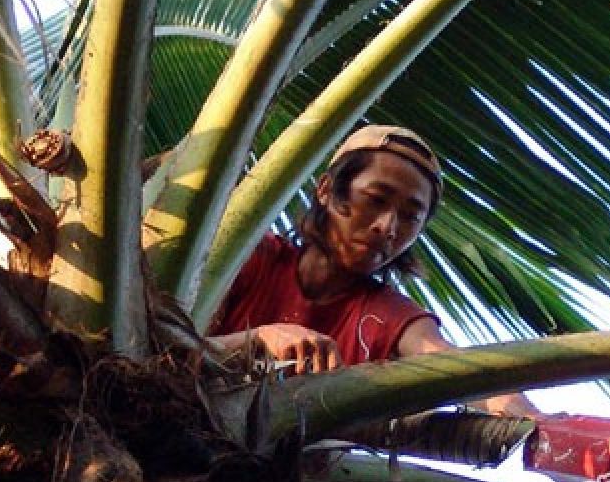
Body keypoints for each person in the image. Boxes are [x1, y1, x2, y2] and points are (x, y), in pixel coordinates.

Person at [210, 124, 536, 417]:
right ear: (325, 190)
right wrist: (259, 339)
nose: (387, 227)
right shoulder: (249, 256)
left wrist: (543, 427)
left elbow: (461, 372)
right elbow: (170, 347)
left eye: (410, 217)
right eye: (376, 199)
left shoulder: (389, 316)